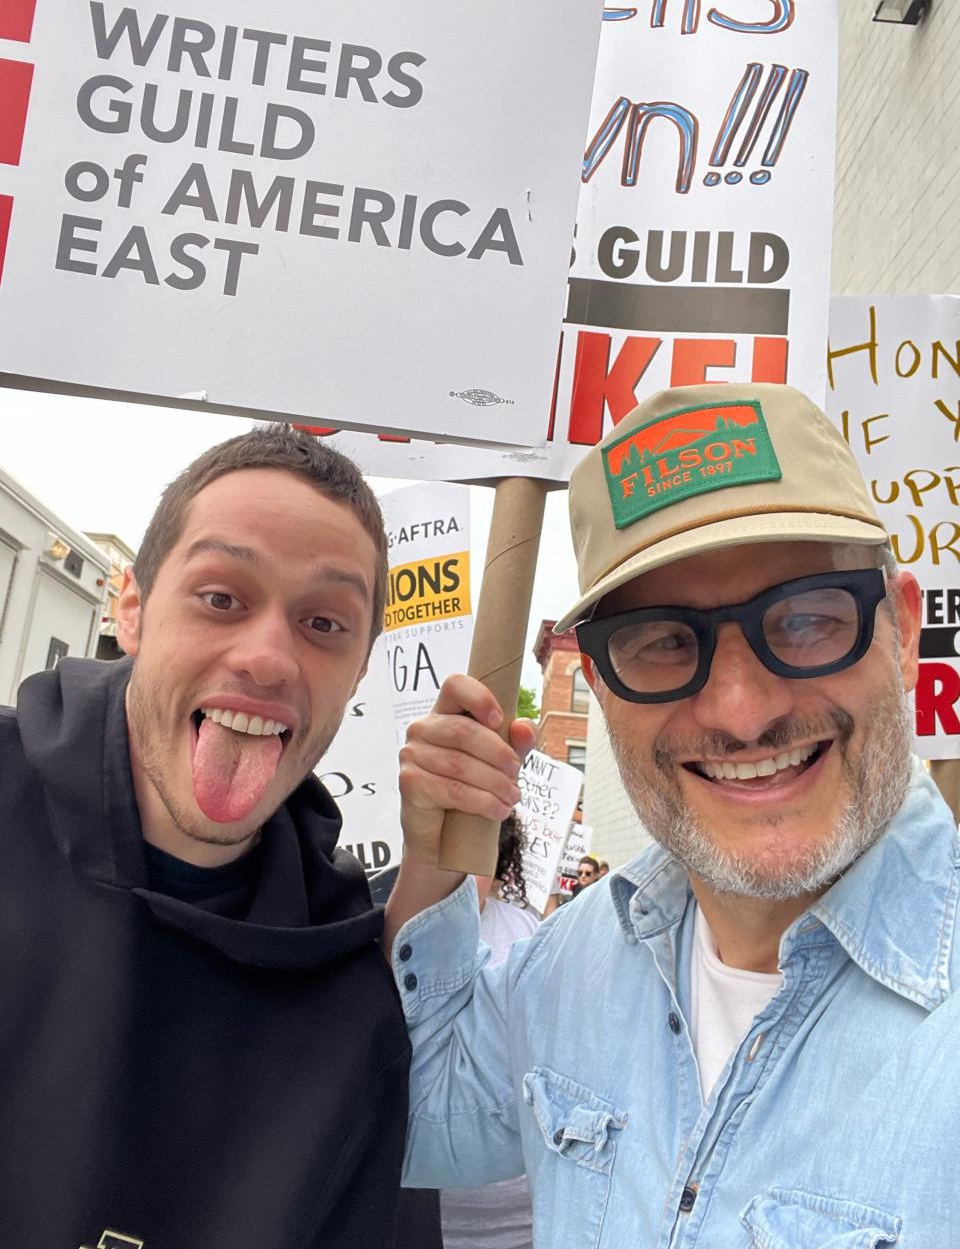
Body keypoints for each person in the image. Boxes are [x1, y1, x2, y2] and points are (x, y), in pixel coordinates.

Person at [384, 383, 960, 1244]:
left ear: (904, 632)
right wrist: (433, 860)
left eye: (804, 619)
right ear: (604, 683)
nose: (739, 711)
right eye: (661, 639)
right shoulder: (574, 959)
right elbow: (423, 1123)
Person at [0, 426, 413, 1247]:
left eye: (325, 623)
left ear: (361, 669)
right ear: (133, 610)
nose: (267, 659)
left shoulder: (355, 1001)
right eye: (221, 598)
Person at [440, 814, 538, 1249]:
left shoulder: (532, 933)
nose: (462, 876)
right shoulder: (391, 931)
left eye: (477, 854)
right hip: (435, 1222)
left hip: (525, 1222)